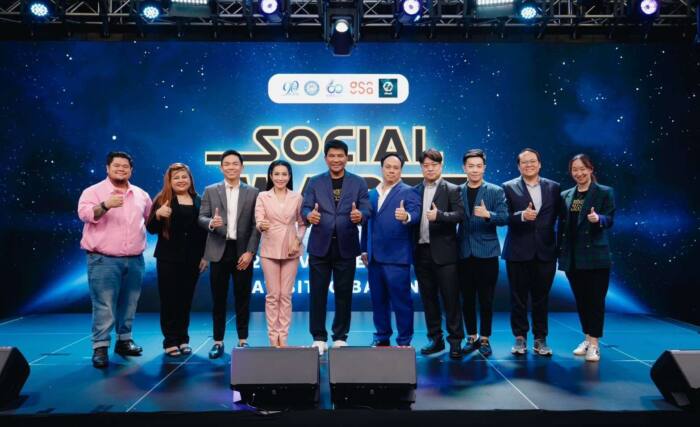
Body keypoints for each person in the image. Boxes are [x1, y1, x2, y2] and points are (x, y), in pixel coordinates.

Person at [77, 151, 152, 368]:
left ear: (131, 170)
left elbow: (150, 220)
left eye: (125, 166)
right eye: (117, 165)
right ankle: (100, 347)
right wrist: (105, 205)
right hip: (103, 260)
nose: (121, 169)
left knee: (130, 302)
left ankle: (124, 341)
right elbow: (85, 215)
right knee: (104, 305)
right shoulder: (92, 191)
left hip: (135, 259)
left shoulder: (141, 195)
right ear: (107, 168)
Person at [301, 140, 370, 355]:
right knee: (317, 294)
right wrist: (309, 215)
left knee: (344, 293)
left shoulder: (358, 182)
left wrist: (360, 215)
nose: (336, 159)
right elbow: (305, 207)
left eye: (340, 156)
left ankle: (340, 337)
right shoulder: (315, 182)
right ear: (325, 158)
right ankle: (318, 337)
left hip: (346, 245)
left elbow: (366, 208)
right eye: (332, 155)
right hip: (320, 246)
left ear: (346, 158)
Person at [198, 150, 260, 359]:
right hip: (219, 251)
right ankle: (218, 341)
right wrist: (211, 223)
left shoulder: (253, 192)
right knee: (219, 299)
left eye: (235, 163)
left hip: (242, 252)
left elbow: (256, 225)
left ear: (242, 167)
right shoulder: (210, 190)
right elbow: (201, 217)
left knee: (243, 298)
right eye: (227, 164)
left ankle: (243, 340)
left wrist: (250, 252)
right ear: (221, 167)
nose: (231, 167)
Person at [502, 148, 561, 356]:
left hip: (545, 251)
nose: (529, 165)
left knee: (541, 298)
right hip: (518, 251)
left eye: (533, 161)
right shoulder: (508, 187)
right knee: (518, 298)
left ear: (539, 164)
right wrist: (521, 216)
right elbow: (503, 216)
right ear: (519, 166)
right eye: (524, 162)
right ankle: (519, 338)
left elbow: (560, 217)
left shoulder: (554, 187)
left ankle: (540, 338)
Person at [558, 154, 615, 362]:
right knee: (582, 301)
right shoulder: (566, 195)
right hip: (573, 257)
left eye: (583, 169)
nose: (579, 173)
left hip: (595, 257)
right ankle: (587, 338)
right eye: (575, 170)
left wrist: (598, 218)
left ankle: (594, 344)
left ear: (590, 169)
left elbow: (610, 218)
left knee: (595, 301)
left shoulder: (604, 192)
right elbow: (563, 225)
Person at [146, 163, 208, 357]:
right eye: (177, 178)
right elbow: (151, 229)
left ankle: (183, 339)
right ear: (170, 181)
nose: (181, 180)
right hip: (168, 259)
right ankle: (170, 341)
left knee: (185, 300)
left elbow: (204, 233)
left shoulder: (199, 200)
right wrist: (158, 215)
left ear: (190, 179)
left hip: (193, 260)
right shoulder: (162, 199)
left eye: (184, 177)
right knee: (169, 300)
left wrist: (205, 256)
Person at [360, 153, 421, 347]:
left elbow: (417, 214)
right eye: (388, 167)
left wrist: (407, 216)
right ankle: (382, 335)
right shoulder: (371, 193)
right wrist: (364, 249)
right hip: (374, 258)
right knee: (378, 301)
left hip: (397, 257)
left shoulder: (409, 192)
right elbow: (366, 223)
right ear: (382, 168)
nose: (392, 171)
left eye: (396, 167)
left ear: (401, 170)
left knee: (401, 302)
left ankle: (404, 340)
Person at [413, 149, 465, 359]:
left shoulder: (452, 189)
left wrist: (440, 215)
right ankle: (435, 339)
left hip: (445, 254)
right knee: (428, 299)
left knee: (451, 299)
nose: (430, 169)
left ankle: (455, 341)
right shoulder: (414, 190)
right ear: (421, 168)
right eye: (426, 165)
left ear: (441, 166)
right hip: (421, 252)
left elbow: (460, 215)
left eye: (434, 165)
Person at [457, 149, 508, 357]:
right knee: (467, 299)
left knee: (486, 299)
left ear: (484, 168)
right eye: (471, 166)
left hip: (487, 253)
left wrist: (488, 215)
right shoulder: (457, 191)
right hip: (463, 253)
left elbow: (504, 218)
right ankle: (471, 337)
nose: (475, 170)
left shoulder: (495, 191)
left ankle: (485, 339)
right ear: (464, 168)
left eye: (478, 166)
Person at [255, 160, 306, 347]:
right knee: (273, 295)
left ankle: (283, 338)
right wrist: (261, 225)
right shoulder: (263, 196)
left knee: (285, 295)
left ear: (289, 176)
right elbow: (259, 220)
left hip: (291, 248)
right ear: (270, 176)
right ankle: (273, 339)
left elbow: (302, 224)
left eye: (284, 174)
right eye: (276, 174)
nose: (280, 178)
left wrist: (297, 240)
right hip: (269, 248)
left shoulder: (297, 197)